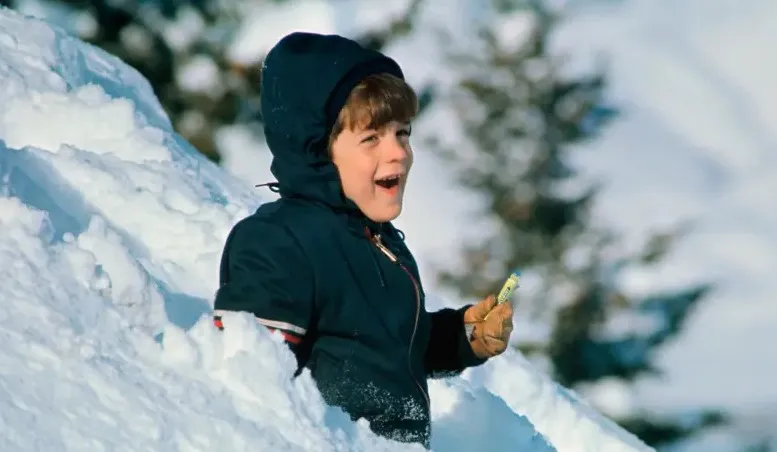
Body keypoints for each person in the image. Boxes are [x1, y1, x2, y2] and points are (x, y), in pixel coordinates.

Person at [212, 31, 514, 448]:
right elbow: (252, 384)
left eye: (402, 133)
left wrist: (461, 337)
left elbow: (381, 352)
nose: (399, 153)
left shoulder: (377, 239)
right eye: (371, 138)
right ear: (317, 151)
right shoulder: (279, 241)